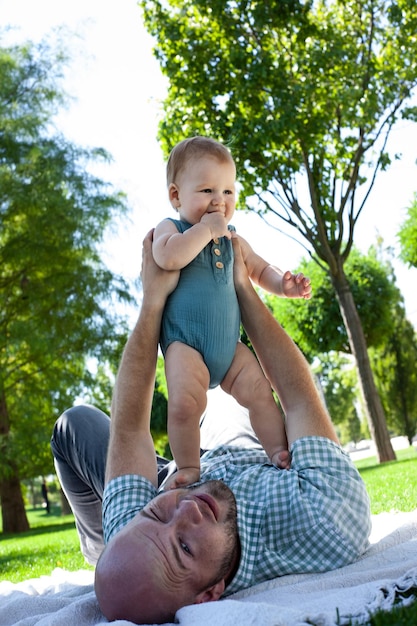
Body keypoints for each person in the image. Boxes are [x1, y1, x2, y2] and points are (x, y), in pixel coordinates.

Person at [51, 230, 371, 625]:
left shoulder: (132, 530)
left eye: (157, 516)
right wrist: (241, 286)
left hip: (174, 477)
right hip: (247, 458)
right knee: (232, 393)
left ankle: (110, 556)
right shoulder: (326, 518)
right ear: (209, 595)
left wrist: (152, 303)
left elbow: (131, 428)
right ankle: (114, 567)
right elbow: (297, 395)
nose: (186, 509)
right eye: (184, 547)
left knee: (74, 423)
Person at [153, 136, 312, 487]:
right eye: (208, 190)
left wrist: (283, 285)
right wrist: (204, 230)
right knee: (183, 406)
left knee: (260, 392)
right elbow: (166, 256)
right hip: (185, 344)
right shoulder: (173, 228)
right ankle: (190, 469)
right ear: (177, 196)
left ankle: (277, 453)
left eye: (228, 191)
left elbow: (258, 268)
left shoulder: (232, 237)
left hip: (229, 346)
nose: (219, 202)